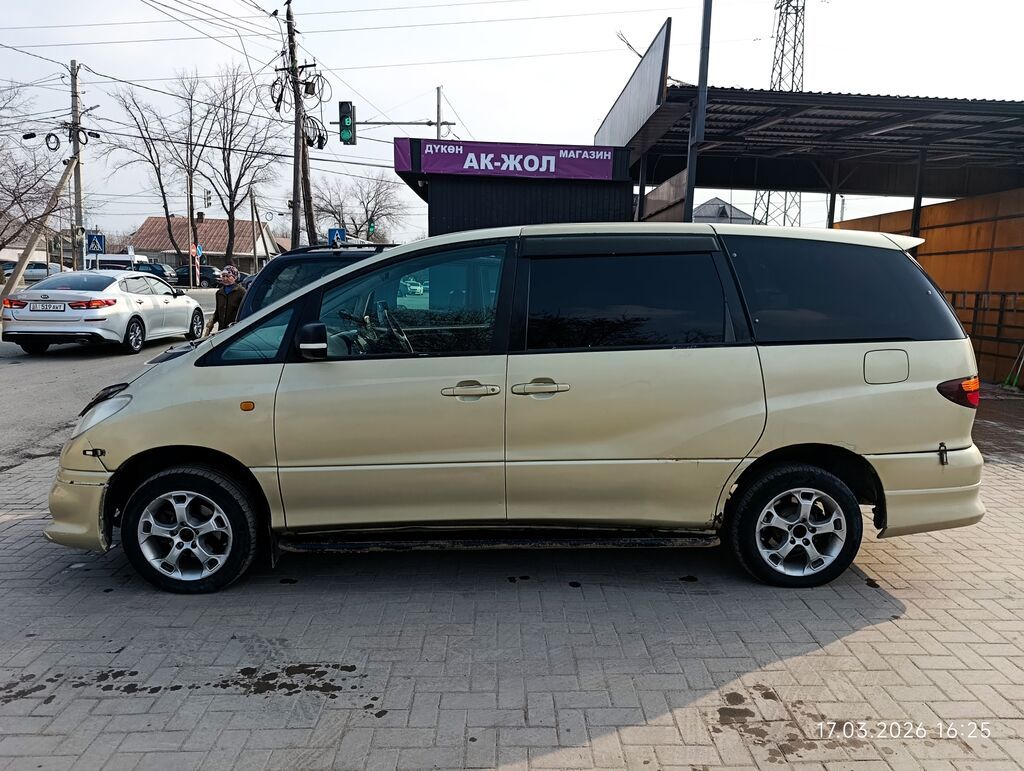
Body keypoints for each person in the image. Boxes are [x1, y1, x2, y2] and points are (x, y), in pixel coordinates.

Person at [203, 264, 247, 337]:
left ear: (234, 277)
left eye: (228, 276)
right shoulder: (219, 293)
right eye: (223, 276)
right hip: (221, 331)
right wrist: (212, 321)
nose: (225, 279)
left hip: (235, 330)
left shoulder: (241, 292)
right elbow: (218, 311)